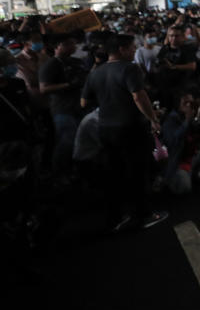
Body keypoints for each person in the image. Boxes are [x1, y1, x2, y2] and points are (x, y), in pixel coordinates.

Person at [81, 33, 166, 231]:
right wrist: (152, 118)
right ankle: (144, 215)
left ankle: (116, 217)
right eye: (131, 48)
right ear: (121, 49)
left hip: (105, 129)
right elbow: (139, 96)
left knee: (114, 174)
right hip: (131, 128)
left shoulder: (96, 72)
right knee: (138, 173)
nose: (134, 51)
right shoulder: (130, 68)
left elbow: (84, 102)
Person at [161, 90, 200, 194]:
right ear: (178, 105)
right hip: (178, 160)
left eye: (191, 103)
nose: (189, 106)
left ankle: (193, 171)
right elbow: (173, 142)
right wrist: (187, 121)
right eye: (185, 103)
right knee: (184, 189)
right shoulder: (170, 121)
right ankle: (172, 179)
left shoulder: (195, 117)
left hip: (193, 156)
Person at [38, 34, 86, 176]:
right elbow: (44, 88)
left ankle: (74, 169)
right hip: (62, 109)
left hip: (78, 107)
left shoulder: (75, 62)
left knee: (78, 141)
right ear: (58, 46)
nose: (74, 46)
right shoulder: (51, 64)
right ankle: (60, 173)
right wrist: (69, 84)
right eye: (70, 44)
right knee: (66, 142)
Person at [155, 25, 197, 111]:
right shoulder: (165, 48)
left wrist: (174, 67)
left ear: (182, 37)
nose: (173, 38)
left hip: (181, 87)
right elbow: (158, 62)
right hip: (165, 86)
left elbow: (192, 66)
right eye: (171, 36)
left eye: (176, 36)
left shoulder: (187, 49)